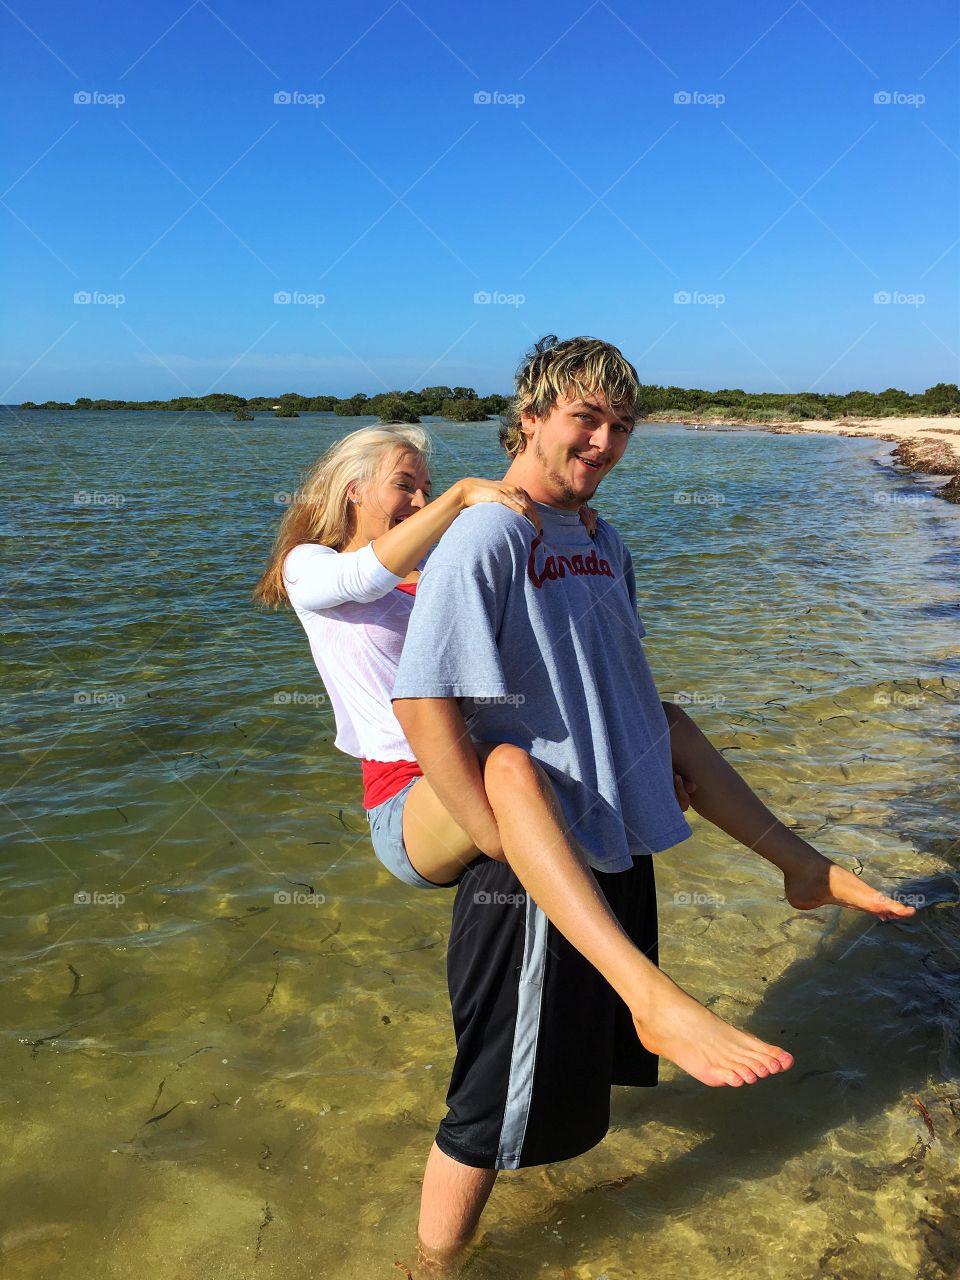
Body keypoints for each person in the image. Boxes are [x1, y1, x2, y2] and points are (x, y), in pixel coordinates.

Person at [388, 335, 916, 1269]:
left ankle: (798, 866)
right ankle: (432, 1270)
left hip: (608, 840)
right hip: (537, 864)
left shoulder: (602, 541)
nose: (602, 442)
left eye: (621, 426)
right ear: (532, 415)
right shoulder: (488, 534)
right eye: (585, 418)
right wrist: (489, 833)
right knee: (483, 1111)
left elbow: (614, 682)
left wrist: (635, 769)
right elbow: (423, 700)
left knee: (553, 1086)